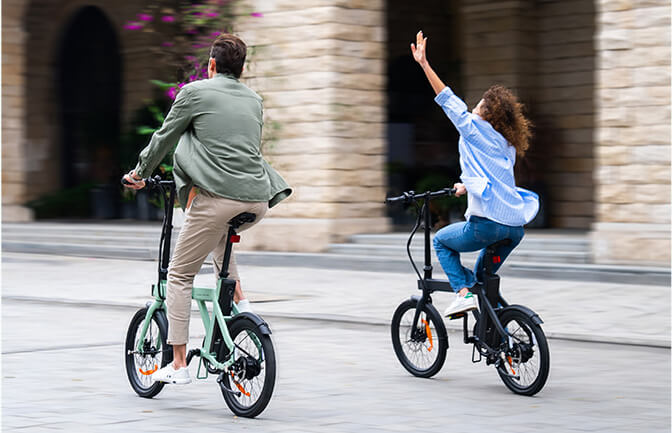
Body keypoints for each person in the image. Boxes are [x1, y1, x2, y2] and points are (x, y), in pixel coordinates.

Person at [123, 34, 291, 384]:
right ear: (241, 70)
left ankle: (180, 364)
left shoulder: (194, 92)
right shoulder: (255, 100)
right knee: (219, 244)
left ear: (211, 65)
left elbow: (164, 136)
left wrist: (140, 173)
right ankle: (242, 306)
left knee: (180, 275)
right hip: (257, 200)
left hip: (216, 199)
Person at [410, 30, 539, 317]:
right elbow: (491, 175)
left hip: (489, 225)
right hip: (514, 227)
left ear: (486, 112)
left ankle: (462, 293)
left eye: (480, 103)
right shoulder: (507, 143)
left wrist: (424, 64)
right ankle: (504, 336)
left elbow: (447, 98)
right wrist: (467, 185)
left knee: (441, 241)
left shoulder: (474, 128)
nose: (475, 105)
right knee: (485, 280)